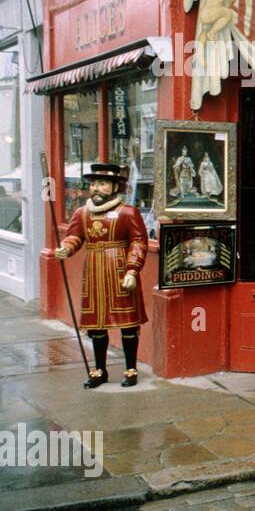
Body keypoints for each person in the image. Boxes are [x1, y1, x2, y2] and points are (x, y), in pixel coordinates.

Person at [53, 163, 148, 388]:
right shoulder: (82, 213)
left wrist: (133, 269)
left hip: (120, 271)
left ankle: (131, 368)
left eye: (102, 183)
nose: (96, 188)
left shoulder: (128, 212)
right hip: (95, 272)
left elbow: (139, 241)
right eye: (93, 184)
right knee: (96, 325)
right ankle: (100, 370)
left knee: (128, 323)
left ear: (115, 186)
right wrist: (66, 248)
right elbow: (74, 236)